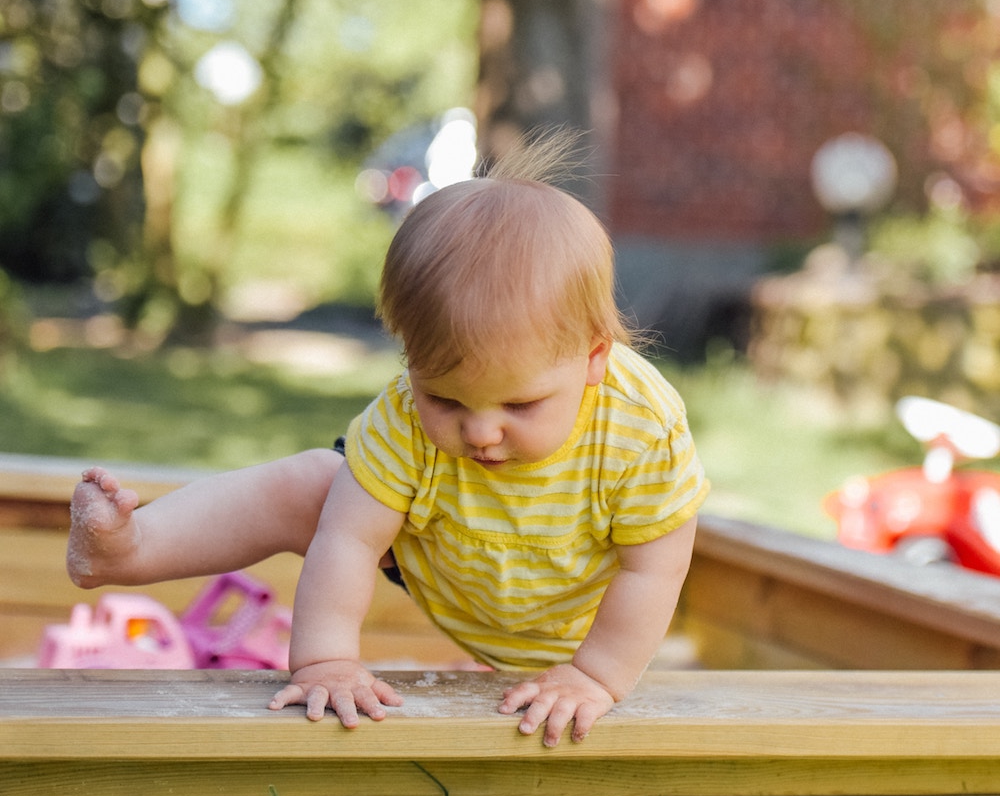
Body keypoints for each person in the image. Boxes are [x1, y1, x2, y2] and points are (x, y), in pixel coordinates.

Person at [68, 134, 709, 747]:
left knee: (626, 591)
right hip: (447, 555)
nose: (481, 432)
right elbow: (348, 540)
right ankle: (130, 549)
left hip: (580, 614)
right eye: (446, 399)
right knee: (314, 485)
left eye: (521, 403)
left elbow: (655, 566)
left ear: (594, 359)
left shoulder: (639, 429)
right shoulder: (402, 416)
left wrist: (595, 675)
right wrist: (324, 661)